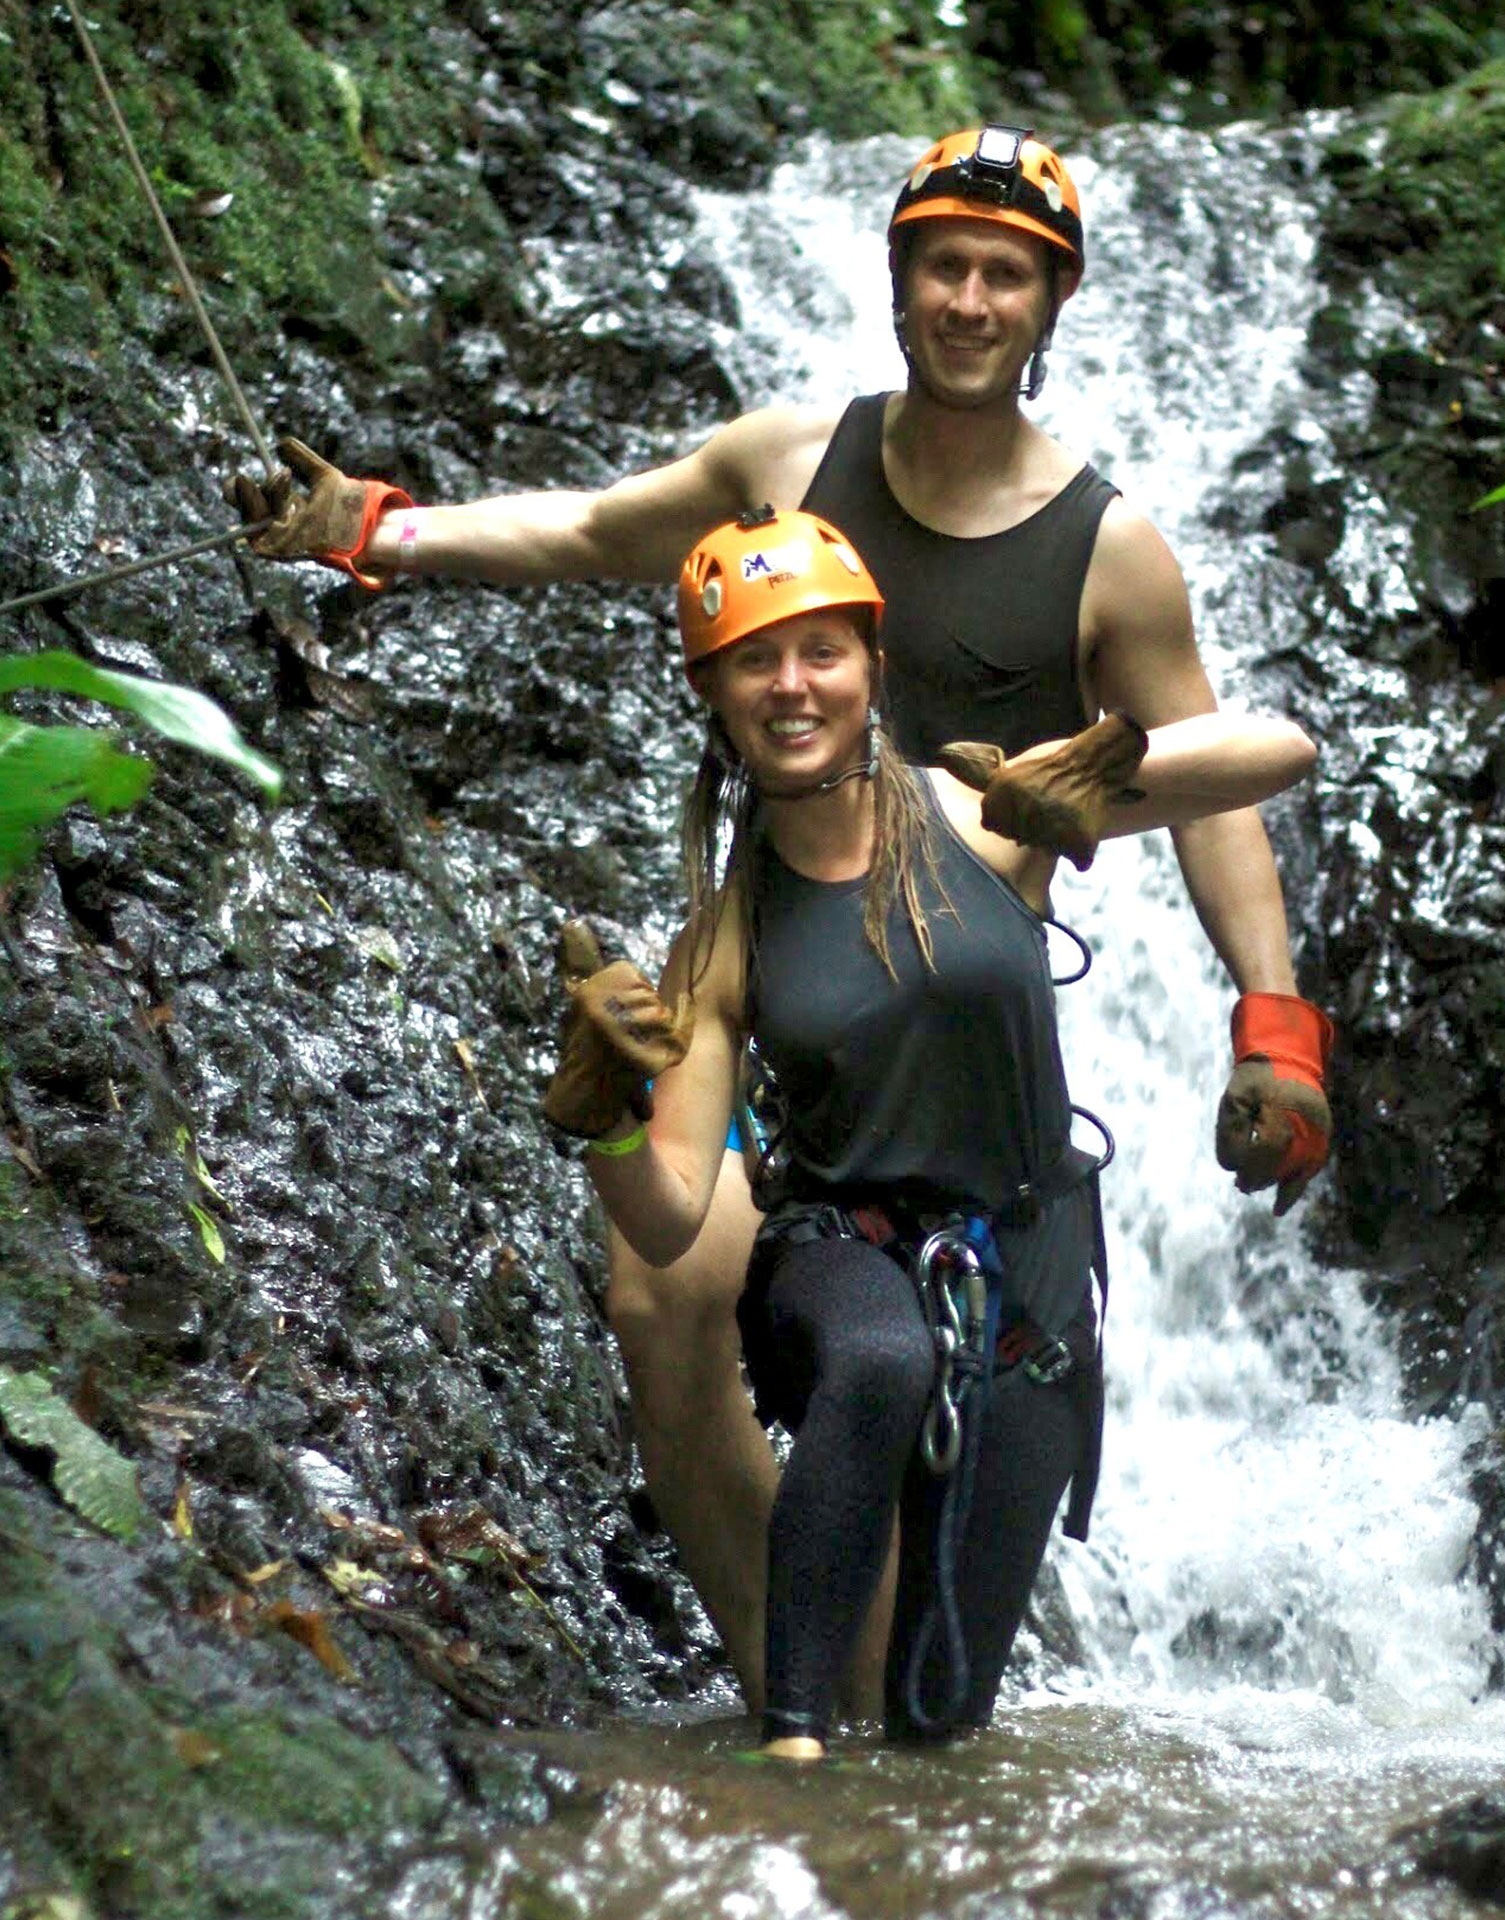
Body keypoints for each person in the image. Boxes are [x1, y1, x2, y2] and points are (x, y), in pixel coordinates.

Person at [227, 126, 1335, 1713]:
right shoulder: (788, 461)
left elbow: (1212, 779)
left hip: (947, 1013)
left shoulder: (1109, 553)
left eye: (1004, 274)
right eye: (944, 265)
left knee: (917, 1439)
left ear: (1052, 304)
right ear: (897, 281)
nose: (969, 300)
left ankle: (858, 1699)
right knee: (656, 1285)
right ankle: (779, 1692)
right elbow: (592, 534)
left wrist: (1275, 1024)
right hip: (775, 976)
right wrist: (373, 530)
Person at [541, 507, 1317, 1757]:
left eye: (821, 652)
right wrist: (605, 1124)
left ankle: (872, 1809)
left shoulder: (985, 815)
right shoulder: (724, 940)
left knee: (940, 1721)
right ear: (714, 694)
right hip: (834, 1255)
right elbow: (676, 1207)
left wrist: (1097, 775)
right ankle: (788, 1747)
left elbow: (1279, 751)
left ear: (873, 668)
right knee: (881, 1359)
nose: (792, 686)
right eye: (755, 659)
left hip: (1031, 1277)